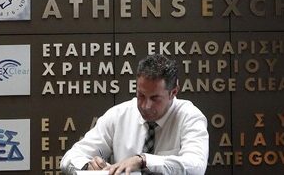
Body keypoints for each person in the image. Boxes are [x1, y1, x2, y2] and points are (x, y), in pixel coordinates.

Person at [60, 54, 208, 175]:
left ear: (173, 92)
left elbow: (196, 167)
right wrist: (87, 167)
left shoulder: (190, 117)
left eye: (155, 98)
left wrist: (143, 160)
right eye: (141, 95)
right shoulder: (119, 115)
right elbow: (70, 158)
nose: (145, 106)